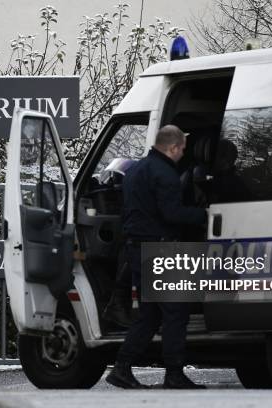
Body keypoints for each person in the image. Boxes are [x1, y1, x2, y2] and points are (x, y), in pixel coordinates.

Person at [105, 125, 207, 390]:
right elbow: (172, 214)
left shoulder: (135, 170)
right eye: (182, 149)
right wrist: (205, 215)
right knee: (176, 312)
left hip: (137, 249)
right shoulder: (166, 174)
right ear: (172, 148)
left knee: (149, 315)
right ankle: (173, 374)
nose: (183, 154)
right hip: (160, 250)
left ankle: (122, 368)